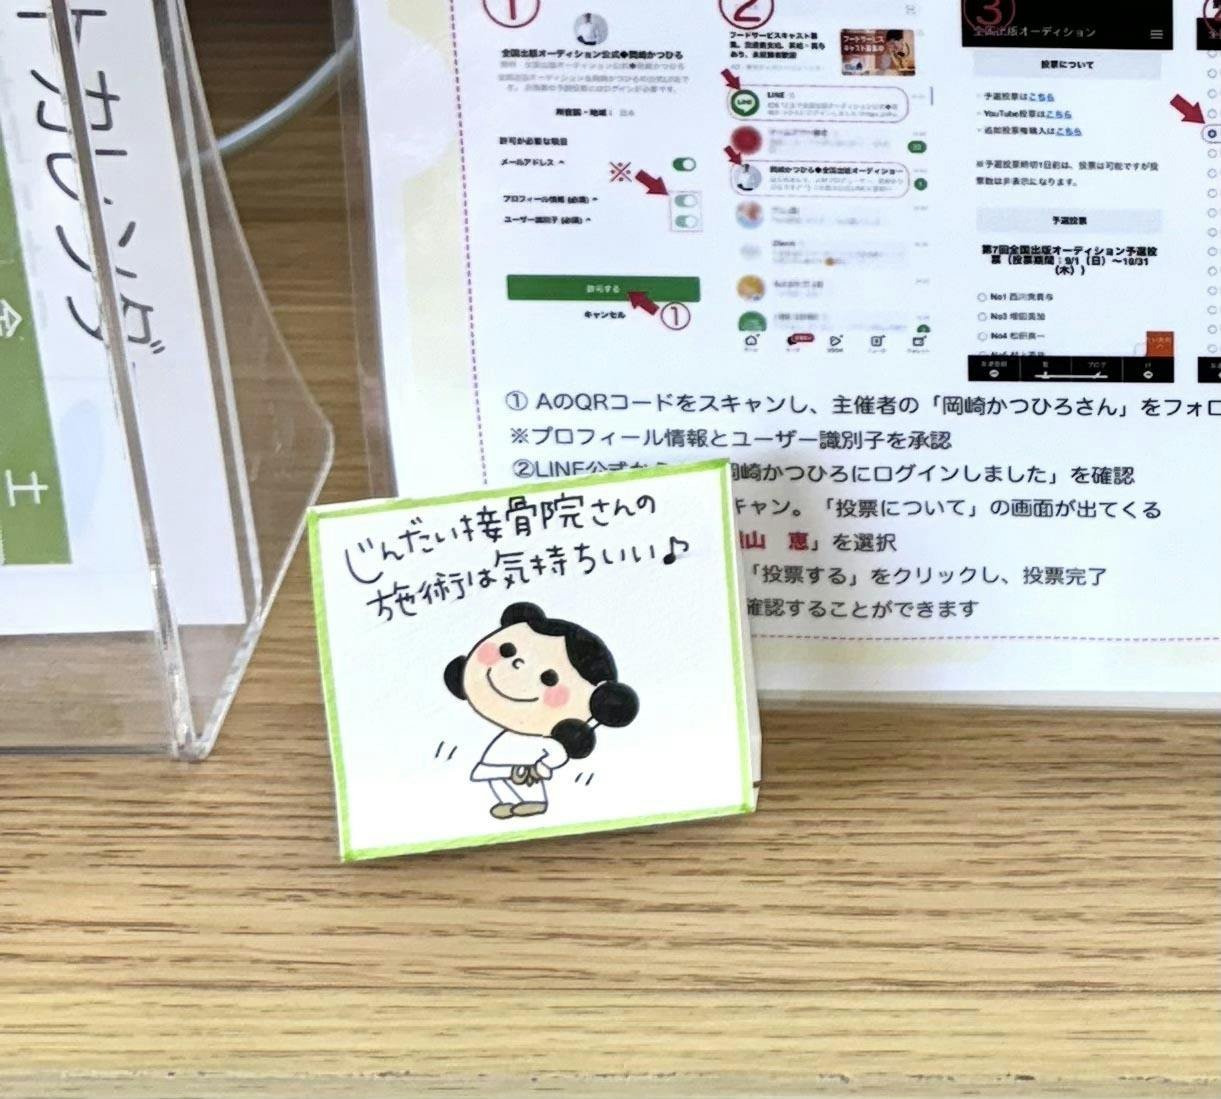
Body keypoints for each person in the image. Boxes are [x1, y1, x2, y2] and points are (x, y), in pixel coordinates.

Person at [445, 603, 638, 820]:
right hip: (503, 761)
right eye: (507, 650)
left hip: (529, 773)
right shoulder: (505, 741)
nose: (517, 665)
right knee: (494, 776)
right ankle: (507, 801)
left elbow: (555, 757)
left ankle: (533, 802)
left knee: (524, 783)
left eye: (549, 679)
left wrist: (539, 769)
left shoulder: (544, 743)